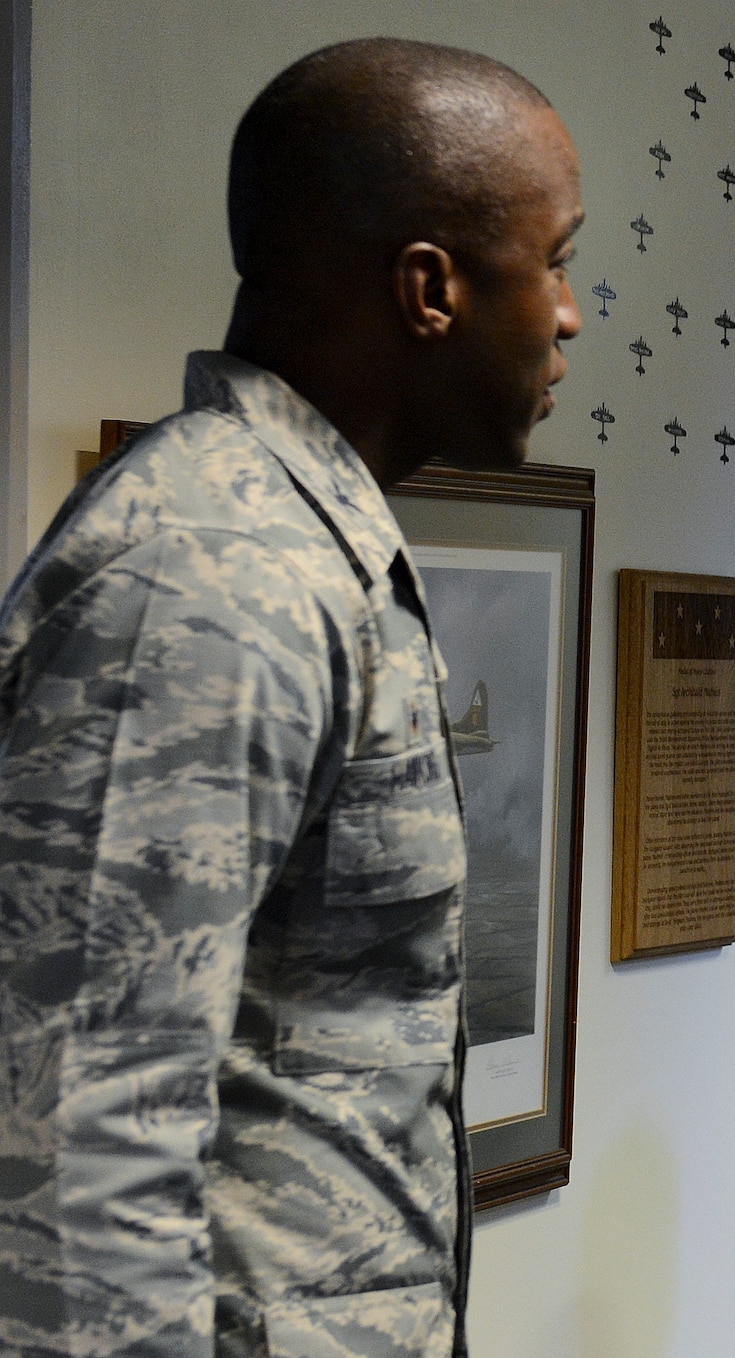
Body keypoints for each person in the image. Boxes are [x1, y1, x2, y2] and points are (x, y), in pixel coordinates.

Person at [0, 38, 582, 1357]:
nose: (566, 314)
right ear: (430, 289)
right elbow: (79, 1155)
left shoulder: (304, 549)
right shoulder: (207, 570)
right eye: (555, 261)